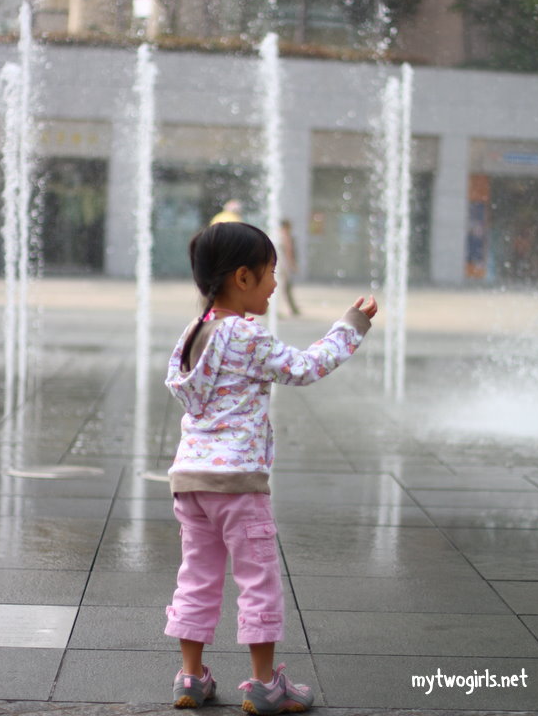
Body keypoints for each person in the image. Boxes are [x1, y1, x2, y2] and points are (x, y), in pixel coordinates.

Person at [164, 221, 378, 713]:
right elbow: (303, 368)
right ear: (243, 277)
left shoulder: (194, 331)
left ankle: (190, 678)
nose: (276, 283)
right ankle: (264, 685)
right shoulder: (244, 333)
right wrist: (350, 327)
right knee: (258, 578)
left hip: (190, 482)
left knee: (196, 575)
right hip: (238, 483)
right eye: (270, 273)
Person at [278, 219, 300, 316]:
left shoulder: (276, 235)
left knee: (283, 287)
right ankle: (292, 308)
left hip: (277, 264)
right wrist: (293, 265)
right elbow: (288, 251)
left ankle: (293, 308)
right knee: (284, 286)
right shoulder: (286, 236)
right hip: (284, 265)